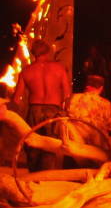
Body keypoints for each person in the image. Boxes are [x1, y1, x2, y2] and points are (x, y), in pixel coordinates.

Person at [13, 39, 72, 172]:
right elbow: (67, 93)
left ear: (33, 53)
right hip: (53, 109)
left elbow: (17, 98)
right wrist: (64, 111)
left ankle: (34, 176)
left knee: (33, 144)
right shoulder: (59, 68)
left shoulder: (26, 71)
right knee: (50, 145)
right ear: (47, 52)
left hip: (34, 111)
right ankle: (46, 176)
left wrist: (12, 117)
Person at [66, 74, 111, 151]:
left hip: (74, 146)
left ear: (86, 85)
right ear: (101, 88)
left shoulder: (73, 98)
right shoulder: (105, 103)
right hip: (98, 148)